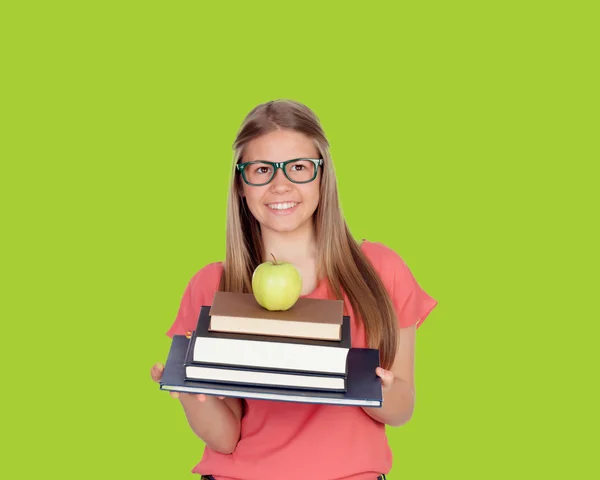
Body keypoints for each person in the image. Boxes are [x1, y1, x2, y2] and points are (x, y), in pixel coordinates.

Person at [150, 99, 438, 480]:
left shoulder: (380, 270)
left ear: (322, 176)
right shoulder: (212, 286)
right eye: (262, 169)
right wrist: (190, 392)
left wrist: (364, 382)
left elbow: (402, 408)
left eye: (299, 167)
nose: (280, 185)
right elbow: (224, 437)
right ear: (241, 183)